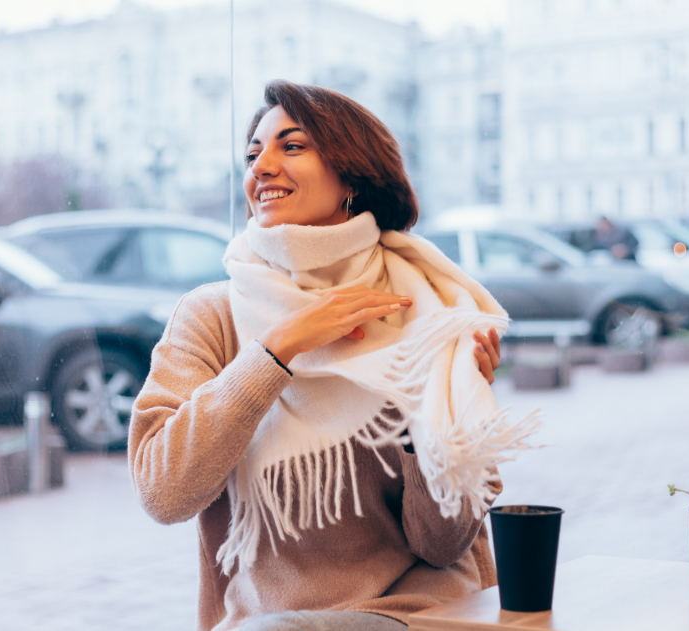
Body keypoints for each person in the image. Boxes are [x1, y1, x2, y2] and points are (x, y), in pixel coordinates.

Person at [129, 81, 535, 631]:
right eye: (253, 153)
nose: (262, 167)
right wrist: (277, 350)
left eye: (291, 146)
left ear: (351, 175)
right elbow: (163, 493)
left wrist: (439, 412)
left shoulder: (427, 308)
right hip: (266, 621)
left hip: (416, 614)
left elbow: (441, 545)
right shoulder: (212, 315)